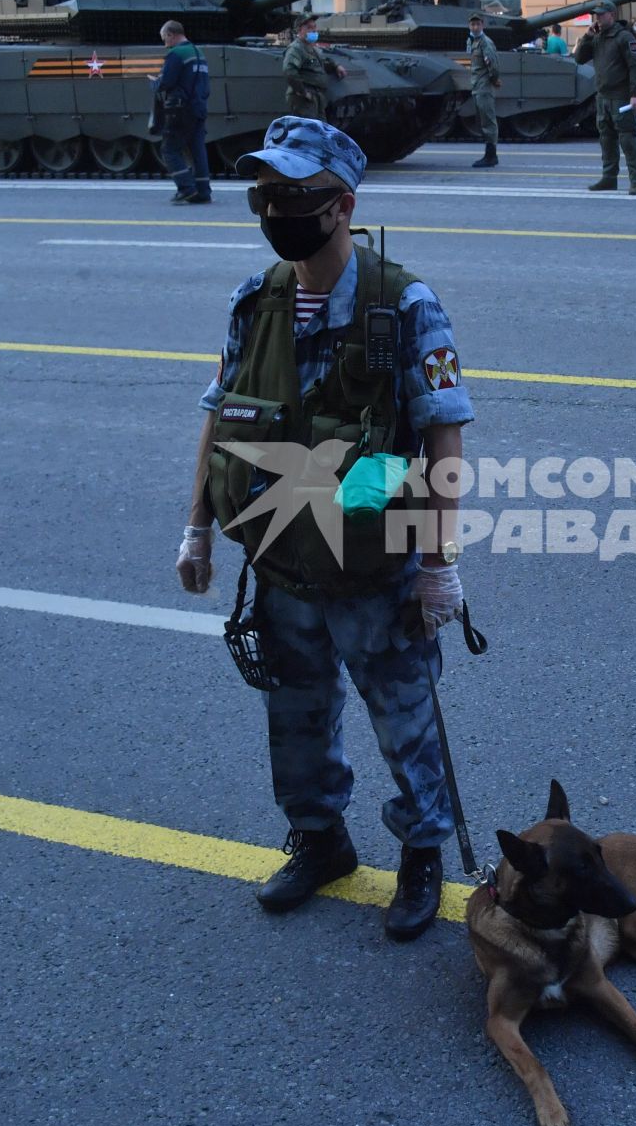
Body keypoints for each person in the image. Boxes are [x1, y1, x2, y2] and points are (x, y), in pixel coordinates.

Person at [176, 116, 474, 943]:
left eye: (293, 195)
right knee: (295, 714)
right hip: (280, 560)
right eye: (264, 193)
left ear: (342, 205)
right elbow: (221, 416)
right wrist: (195, 528)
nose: (274, 208)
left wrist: (439, 564)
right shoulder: (257, 300)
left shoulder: (402, 303)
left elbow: (444, 431)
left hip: (373, 559)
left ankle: (422, 856)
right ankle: (320, 840)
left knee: (402, 714)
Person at [573, 0, 636, 194]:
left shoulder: (624, 37)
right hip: (602, 97)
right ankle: (609, 178)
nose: (598, 18)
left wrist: (635, 94)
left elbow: (635, 67)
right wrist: (587, 37)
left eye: (601, 14)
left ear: (612, 14)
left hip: (621, 97)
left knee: (627, 140)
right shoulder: (597, 36)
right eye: (596, 15)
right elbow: (579, 59)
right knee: (606, 140)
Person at [153, 19, 212, 204]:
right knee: (197, 149)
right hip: (199, 107)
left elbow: (166, 82)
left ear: (171, 35)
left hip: (179, 108)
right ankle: (203, 191)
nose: (165, 43)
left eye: (165, 38)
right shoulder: (198, 52)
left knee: (169, 149)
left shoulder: (176, 54)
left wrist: (154, 82)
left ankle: (186, 188)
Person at [282, 12, 344, 121]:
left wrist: (336, 66)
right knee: (308, 130)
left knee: (319, 130)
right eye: (309, 28)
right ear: (300, 30)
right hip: (305, 99)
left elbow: (321, 62)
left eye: (314, 27)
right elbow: (289, 70)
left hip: (316, 97)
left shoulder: (311, 48)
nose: (314, 31)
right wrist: (302, 92)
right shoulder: (296, 49)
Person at [466, 12, 501, 168]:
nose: (475, 27)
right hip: (476, 86)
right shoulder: (472, 41)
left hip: (484, 87)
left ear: (482, 25)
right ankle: (489, 154)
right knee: (482, 121)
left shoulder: (486, 43)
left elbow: (493, 65)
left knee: (488, 121)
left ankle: (491, 156)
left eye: (477, 24)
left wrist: (494, 80)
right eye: (472, 24)